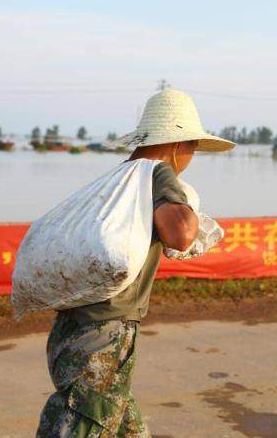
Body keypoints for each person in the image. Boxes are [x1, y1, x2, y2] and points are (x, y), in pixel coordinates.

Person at [35, 89, 236, 438]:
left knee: (124, 424)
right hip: (104, 335)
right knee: (85, 423)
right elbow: (180, 235)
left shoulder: (121, 178)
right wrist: (186, 204)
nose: (191, 157)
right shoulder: (157, 174)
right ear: (179, 143)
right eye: (192, 148)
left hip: (71, 328)